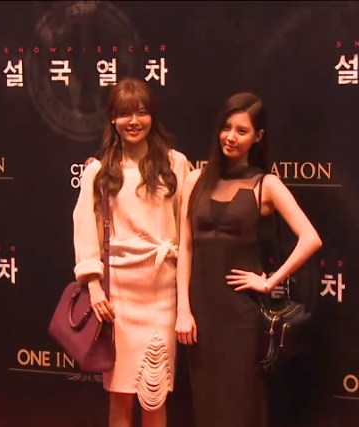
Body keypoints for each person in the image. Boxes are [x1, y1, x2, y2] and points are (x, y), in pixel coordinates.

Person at [175, 92, 323, 427]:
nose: (231, 137)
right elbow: (185, 247)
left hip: (241, 313)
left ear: (258, 136)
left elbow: (310, 238)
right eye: (226, 127)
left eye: (242, 131)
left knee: (241, 400)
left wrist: (269, 281)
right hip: (199, 311)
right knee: (206, 399)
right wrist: (183, 309)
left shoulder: (266, 184)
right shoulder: (195, 180)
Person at [72, 77, 189, 427]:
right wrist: (94, 287)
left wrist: (184, 302)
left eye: (141, 112)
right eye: (124, 114)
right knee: (120, 395)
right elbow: (85, 228)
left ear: (152, 116)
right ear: (112, 118)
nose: (133, 121)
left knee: (155, 395)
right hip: (117, 297)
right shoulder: (98, 171)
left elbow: (186, 233)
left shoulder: (175, 164)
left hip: (162, 294)